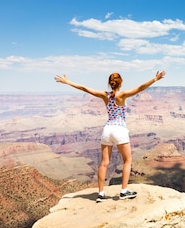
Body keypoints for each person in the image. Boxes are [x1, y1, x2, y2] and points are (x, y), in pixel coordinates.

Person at [54, 70, 166, 201]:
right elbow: (140, 88)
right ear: (121, 83)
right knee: (127, 160)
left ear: (110, 83)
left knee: (104, 162)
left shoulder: (104, 95)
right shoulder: (122, 95)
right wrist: (155, 79)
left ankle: (101, 193)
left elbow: (85, 88)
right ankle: (124, 191)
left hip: (107, 130)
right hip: (119, 129)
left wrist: (68, 82)